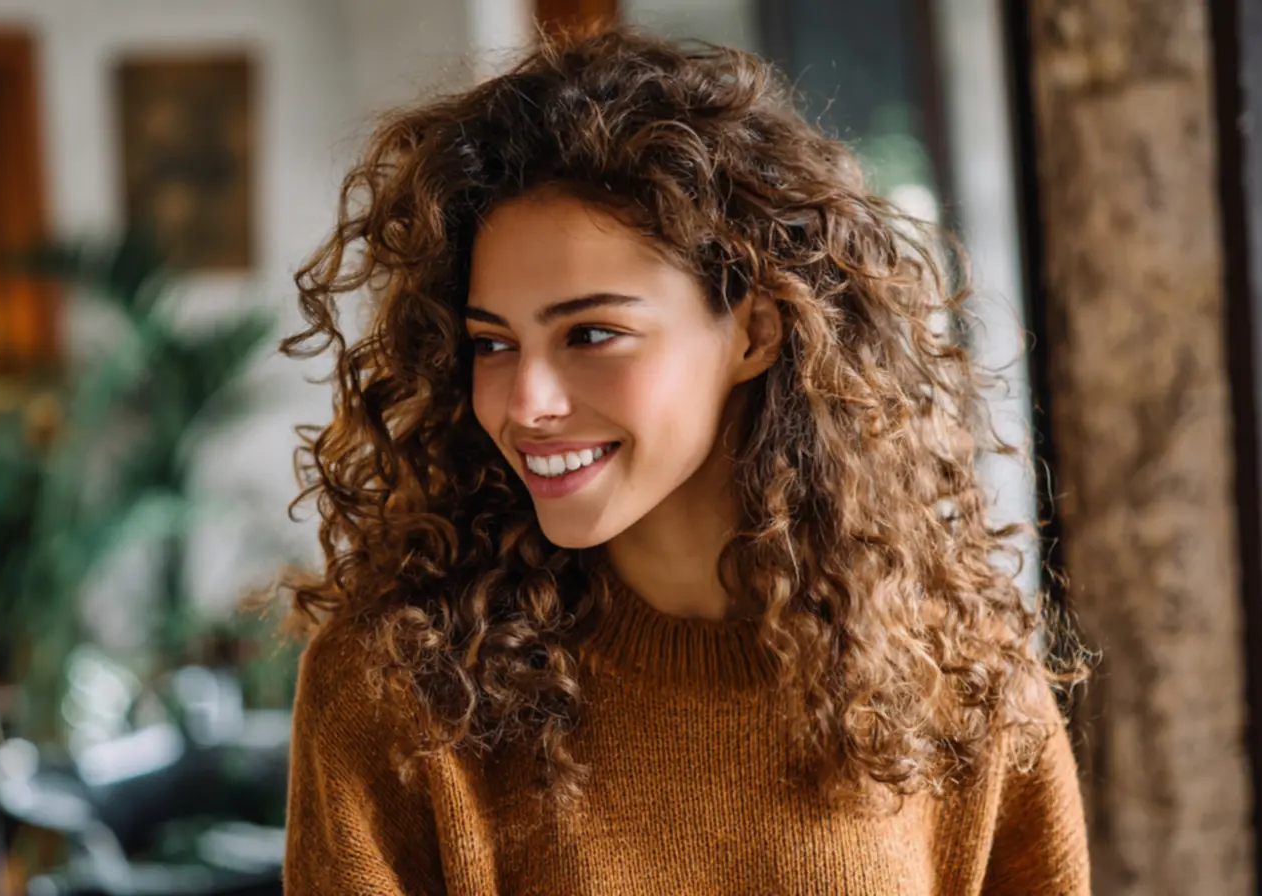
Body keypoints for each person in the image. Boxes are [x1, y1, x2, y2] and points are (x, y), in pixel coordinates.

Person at [279, 24, 1090, 896]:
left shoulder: (958, 679)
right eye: (493, 344)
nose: (525, 403)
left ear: (756, 331)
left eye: (591, 334)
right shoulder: (396, 689)